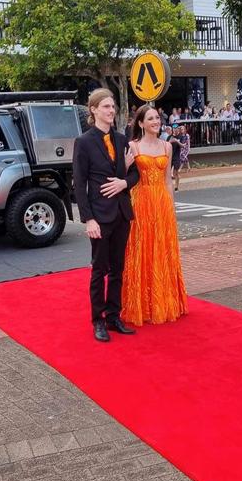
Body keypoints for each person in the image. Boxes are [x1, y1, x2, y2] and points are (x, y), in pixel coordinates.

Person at [72, 88, 139, 343]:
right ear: (94, 110)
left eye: (113, 107)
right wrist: (88, 219)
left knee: (118, 269)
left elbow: (135, 175)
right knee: (100, 270)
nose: (111, 111)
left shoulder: (123, 140)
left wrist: (124, 183)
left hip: (122, 213)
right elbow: (79, 185)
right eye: (106, 107)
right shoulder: (84, 142)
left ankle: (114, 317)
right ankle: (97, 320)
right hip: (99, 216)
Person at [121, 104, 188, 325]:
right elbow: (123, 176)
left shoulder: (167, 147)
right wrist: (124, 165)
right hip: (140, 201)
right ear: (141, 123)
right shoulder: (132, 146)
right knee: (142, 248)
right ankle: (142, 304)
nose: (155, 122)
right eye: (150, 119)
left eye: (157, 118)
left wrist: (172, 207)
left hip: (161, 202)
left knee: (162, 249)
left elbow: (168, 180)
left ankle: (164, 301)